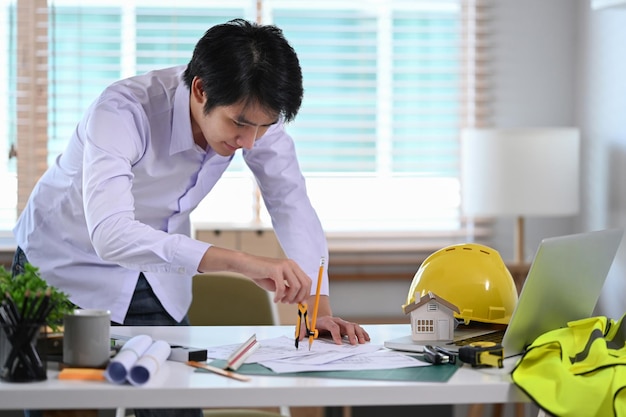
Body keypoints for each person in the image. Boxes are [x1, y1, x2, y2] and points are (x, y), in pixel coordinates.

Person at [12, 18, 370, 417]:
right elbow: (111, 234)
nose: (249, 142)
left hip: (159, 274)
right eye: (240, 124)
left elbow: (291, 201)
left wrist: (318, 313)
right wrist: (240, 262)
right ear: (200, 89)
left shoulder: (253, 115)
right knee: (69, 406)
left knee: (175, 406)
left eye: (265, 127)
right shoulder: (121, 111)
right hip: (65, 265)